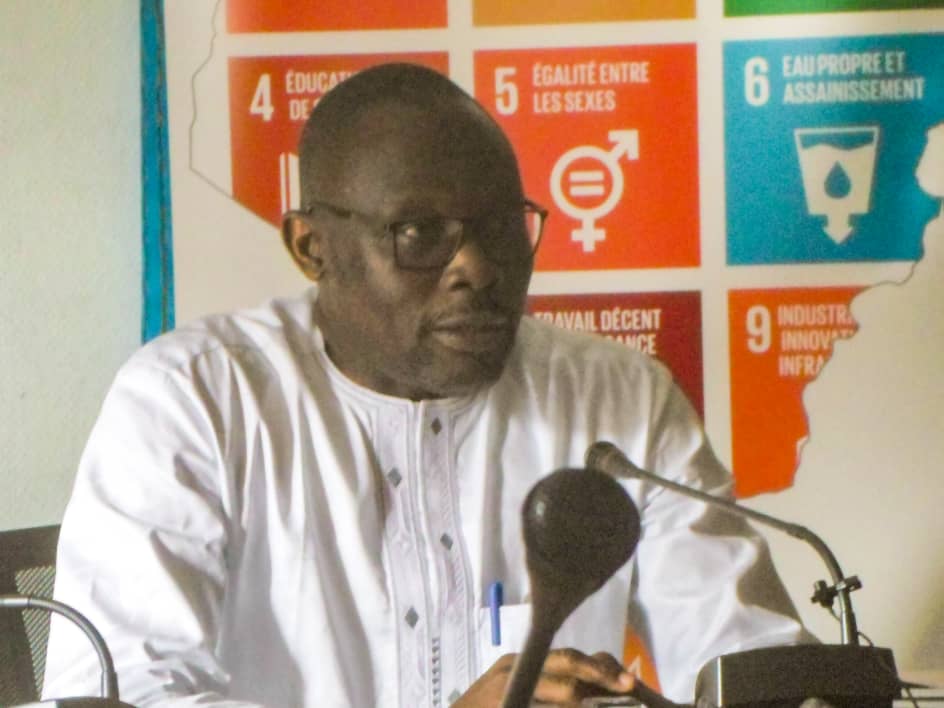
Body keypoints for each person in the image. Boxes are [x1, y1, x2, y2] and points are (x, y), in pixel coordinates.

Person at [44, 63, 811, 707]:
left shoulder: (621, 403)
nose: (476, 267)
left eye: (501, 225)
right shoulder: (195, 400)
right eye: (418, 233)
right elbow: (119, 693)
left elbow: (749, 660)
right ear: (312, 248)